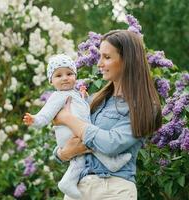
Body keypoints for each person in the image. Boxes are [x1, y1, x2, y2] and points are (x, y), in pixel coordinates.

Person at [53, 30, 162, 200]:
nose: (99, 64)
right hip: (78, 189)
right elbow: (68, 141)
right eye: (100, 57)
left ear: (127, 61)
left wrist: (68, 118)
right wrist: (63, 154)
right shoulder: (94, 100)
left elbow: (111, 144)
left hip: (113, 189)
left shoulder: (143, 106)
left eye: (107, 57)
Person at [22, 54, 132, 199]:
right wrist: (35, 120)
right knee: (94, 143)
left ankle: (68, 181)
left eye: (69, 73)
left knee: (79, 160)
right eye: (59, 75)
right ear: (51, 81)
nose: (65, 78)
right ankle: (112, 163)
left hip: (75, 134)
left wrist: (83, 97)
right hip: (70, 134)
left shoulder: (72, 94)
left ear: (75, 75)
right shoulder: (58, 96)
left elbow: (81, 110)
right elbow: (46, 114)